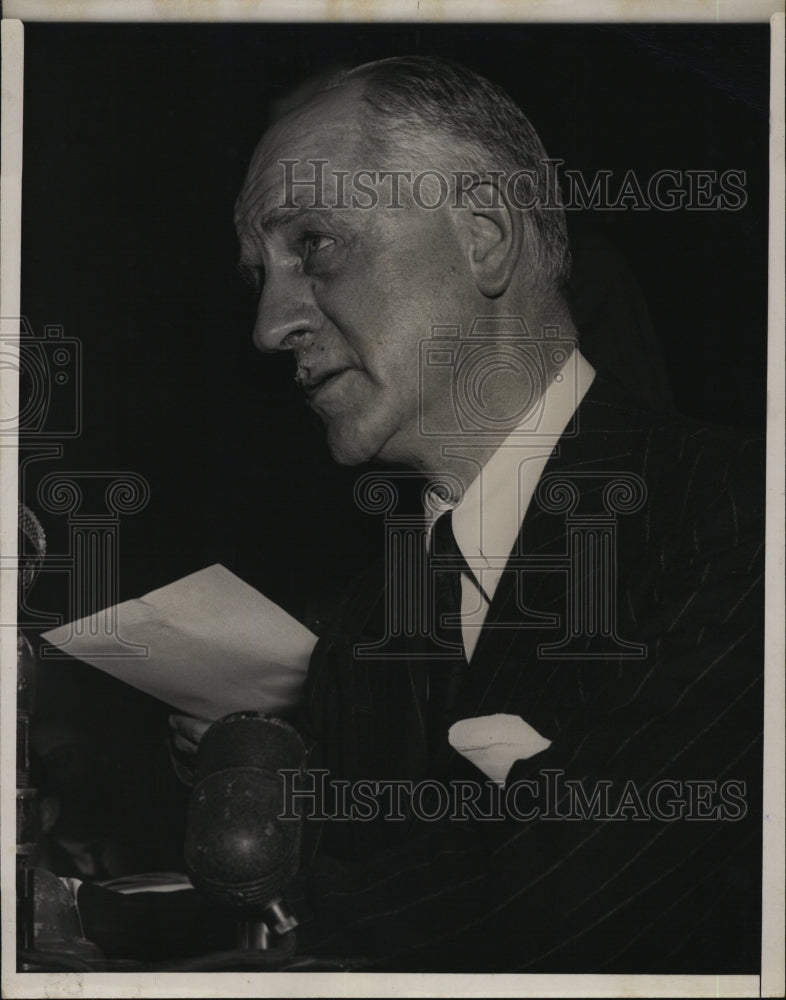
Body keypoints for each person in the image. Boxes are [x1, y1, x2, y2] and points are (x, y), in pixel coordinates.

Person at [170, 55, 764, 973]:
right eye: (260, 274)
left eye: (315, 245)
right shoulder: (366, 627)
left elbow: (585, 904)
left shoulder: (740, 513)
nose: (269, 323)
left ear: (483, 238)